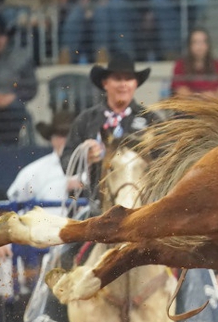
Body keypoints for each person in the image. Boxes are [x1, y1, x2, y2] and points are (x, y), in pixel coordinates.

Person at [61, 54, 162, 208]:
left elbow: (168, 160)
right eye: (117, 78)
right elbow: (66, 163)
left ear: (136, 84)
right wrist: (84, 156)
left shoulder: (151, 120)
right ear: (105, 83)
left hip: (142, 205)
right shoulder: (87, 119)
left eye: (128, 79)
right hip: (96, 205)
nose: (123, 84)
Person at [0, 15, 38, 147]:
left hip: (12, 104)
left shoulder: (21, 57)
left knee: (17, 109)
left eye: (1, 35)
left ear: (7, 37)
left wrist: (14, 97)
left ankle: (11, 149)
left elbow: (31, 86)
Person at [8, 111, 73, 215]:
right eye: (60, 135)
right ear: (52, 139)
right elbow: (14, 202)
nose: (66, 141)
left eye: (70, 135)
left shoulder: (94, 168)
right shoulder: (32, 172)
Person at [171, 27, 218, 98]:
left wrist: (213, 97)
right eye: (196, 42)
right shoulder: (179, 65)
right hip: (188, 105)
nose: (199, 46)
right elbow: (179, 90)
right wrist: (199, 97)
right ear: (189, 45)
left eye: (202, 42)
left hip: (212, 105)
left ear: (208, 45)